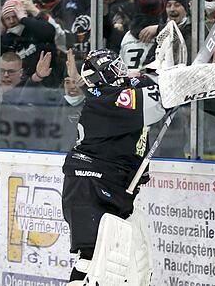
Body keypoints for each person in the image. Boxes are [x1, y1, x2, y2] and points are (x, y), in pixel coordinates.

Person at [62, 48, 167, 284]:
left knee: (125, 257)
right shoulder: (108, 100)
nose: (122, 71)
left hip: (104, 182)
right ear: (105, 76)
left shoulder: (111, 93)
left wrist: (162, 68)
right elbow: (159, 102)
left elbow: (143, 79)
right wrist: (182, 80)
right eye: (115, 68)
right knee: (93, 257)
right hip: (90, 185)